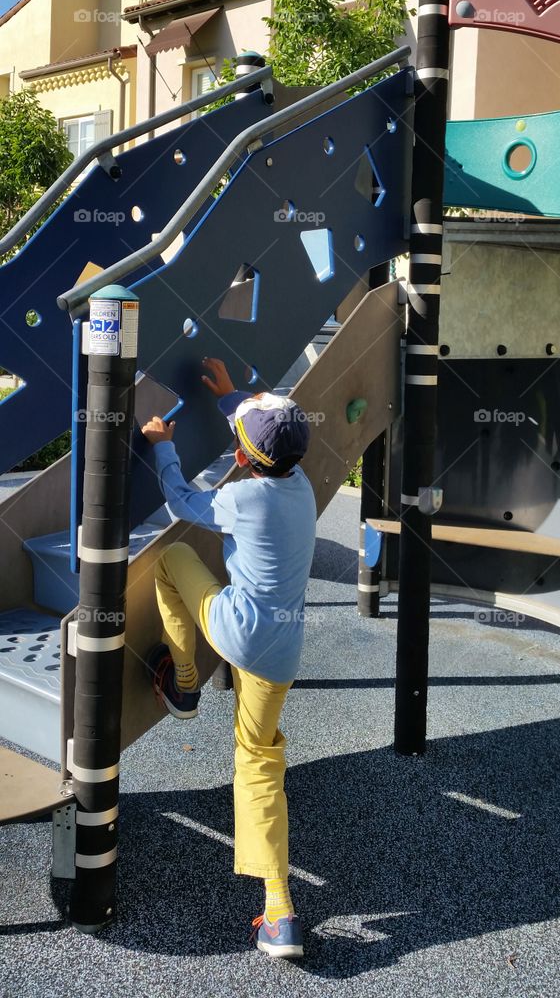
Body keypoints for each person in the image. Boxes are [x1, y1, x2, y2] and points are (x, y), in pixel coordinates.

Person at [141, 356, 317, 960]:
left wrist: (163, 445)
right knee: (259, 760)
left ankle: (185, 682)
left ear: (241, 456)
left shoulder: (242, 499)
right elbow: (275, 428)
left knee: (172, 562)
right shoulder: (303, 486)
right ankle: (279, 910)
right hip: (283, 651)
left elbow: (181, 502)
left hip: (235, 631)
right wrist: (233, 395)